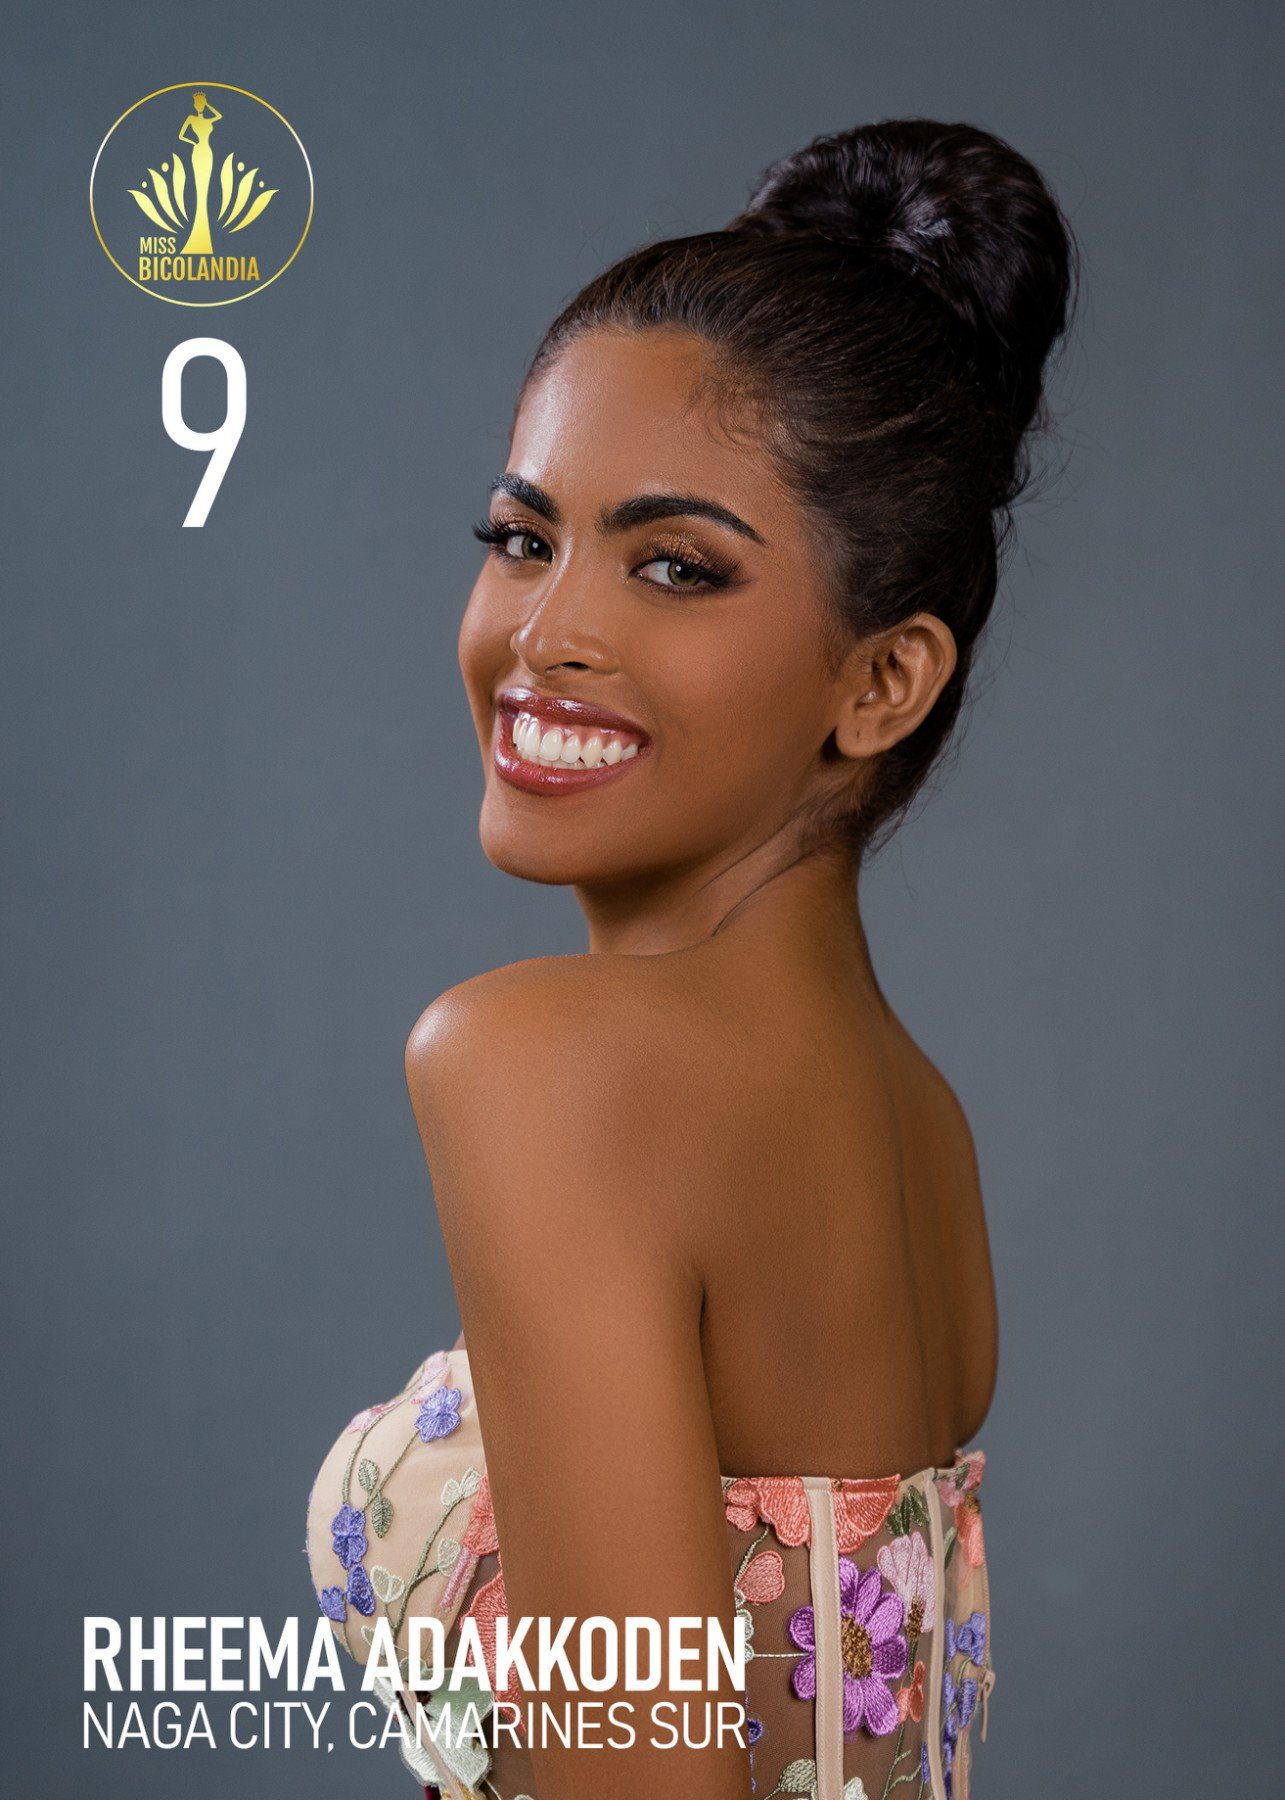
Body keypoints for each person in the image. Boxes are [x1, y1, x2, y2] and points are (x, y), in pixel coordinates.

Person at [307, 116, 1075, 1800]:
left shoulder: (544, 1062)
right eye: (522, 538)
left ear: (880, 681)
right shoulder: (915, 1127)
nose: (544, 633)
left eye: (673, 566)